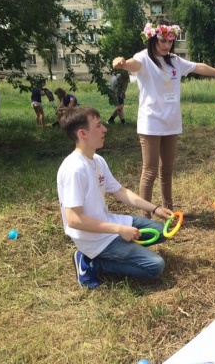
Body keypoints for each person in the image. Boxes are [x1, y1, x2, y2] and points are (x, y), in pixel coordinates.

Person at [112, 19, 215, 217]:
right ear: (153, 39)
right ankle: (146, 216)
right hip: (151, 123)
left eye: (170, 41)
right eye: (162, 41)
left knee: (167, 171)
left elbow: (199, 67)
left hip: (171, 123)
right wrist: (122, 63)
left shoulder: (175, 60)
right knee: (150, 171)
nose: (166, 45)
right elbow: (132, 64)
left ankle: (168, 211)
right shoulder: (143, 58)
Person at [57, 105, 174, 289]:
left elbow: (120, 192)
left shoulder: (97, 160)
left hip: (107, 224)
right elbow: (73, 220)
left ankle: (122, 251)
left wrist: (155, 209)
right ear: (83, 133)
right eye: (98, 126)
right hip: (93, 239)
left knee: (161, 231)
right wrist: (119, 229)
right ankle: (91, 263)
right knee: (155, 265)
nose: (104, 129)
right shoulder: (74, 169)